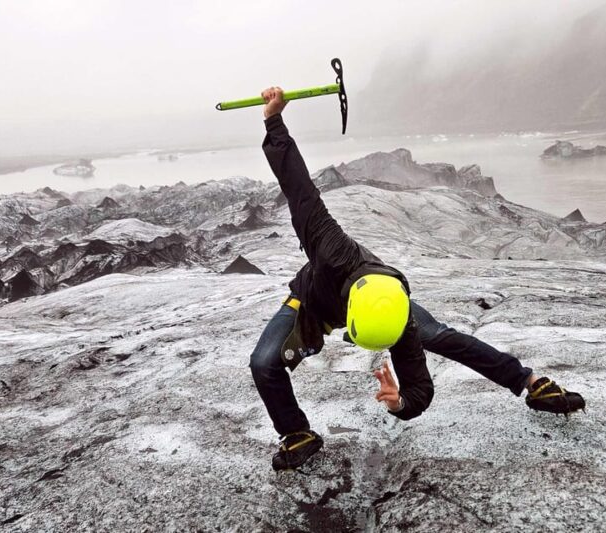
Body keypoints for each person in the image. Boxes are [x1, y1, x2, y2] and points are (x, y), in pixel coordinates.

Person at [251, 87, 585, 471]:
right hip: (312, 301)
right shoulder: (328, 248)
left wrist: (400, 403)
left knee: (443, 338)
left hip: (378, 300)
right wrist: (273, 119)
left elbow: (420, 389)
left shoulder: (398, 315)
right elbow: (299, 187)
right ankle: (297, 433)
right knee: (263, 363)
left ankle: (530, 383)